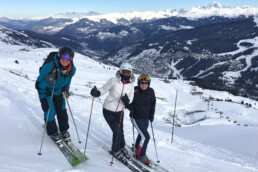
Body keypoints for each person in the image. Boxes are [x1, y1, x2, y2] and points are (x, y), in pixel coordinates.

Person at [90, 62, 135, 160]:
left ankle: (121, 146)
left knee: (120, 130)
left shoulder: (131, 85)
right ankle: (115, 150)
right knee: (117, 130)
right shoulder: (114, 80)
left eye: (128, 72)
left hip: (120, 111)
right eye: (124, 72)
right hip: (108, 109)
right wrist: (97, 93)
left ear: (131, 73)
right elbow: (103, 89)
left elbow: (131, 97)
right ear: (120, 71)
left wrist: (127, 101)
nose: (126, 74)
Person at [35, 46, 76, 143]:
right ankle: (53, 132)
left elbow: (67, 81)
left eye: (68, 58)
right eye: (63, 57)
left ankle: (64, 130)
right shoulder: (49, 66)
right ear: (59, 56)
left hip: (58, 91)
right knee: (50, 111)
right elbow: (38, 85)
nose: (65, 60)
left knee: (62, 110)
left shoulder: (72, 70)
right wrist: (51, 78)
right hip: (46, 92)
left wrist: (66, 89)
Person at [129, 74, 156, 165]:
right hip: (136, 117)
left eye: (146, 83)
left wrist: (151, 115)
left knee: (141, 136)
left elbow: (153, 103)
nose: (144, 85)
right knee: (146, 137)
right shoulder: (134, 90)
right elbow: (129, 103)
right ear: (139, 83)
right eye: (142, 83)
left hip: (146, 118)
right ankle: (140, 155)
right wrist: (127, 102)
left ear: (148, 84)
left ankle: (137, 148)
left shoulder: (151, 91)